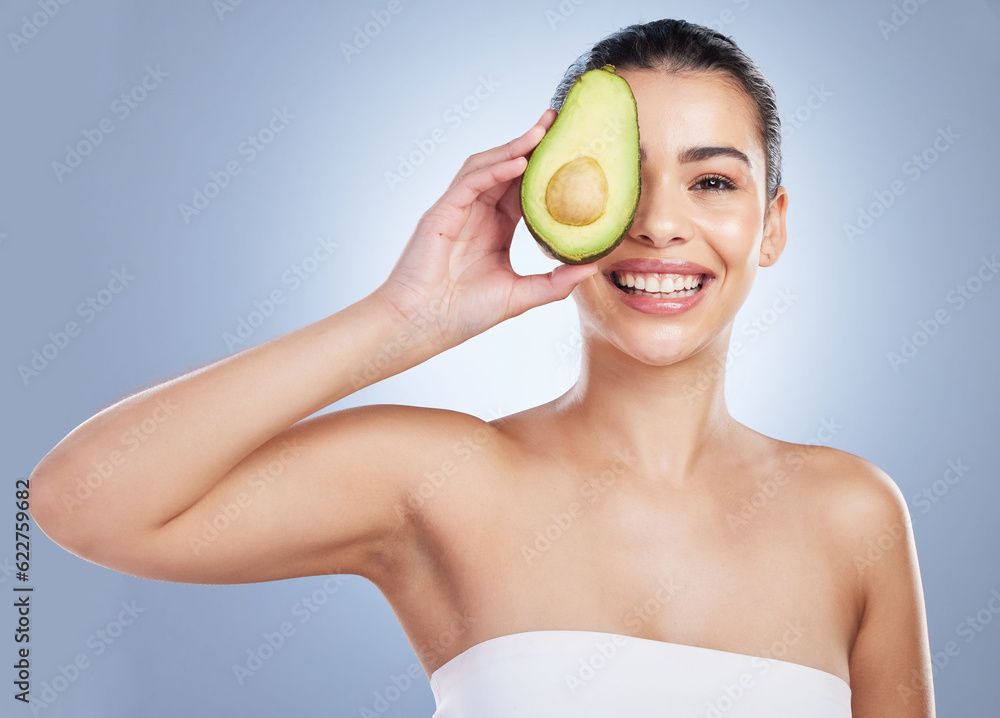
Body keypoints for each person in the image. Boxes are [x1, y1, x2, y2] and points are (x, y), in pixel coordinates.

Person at [29, 18, 934, 718]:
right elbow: (81, 500)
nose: (661, 224)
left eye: (712, 181)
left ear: (771, 225)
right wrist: (403, 321)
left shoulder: (854, 513)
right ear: (545, 200)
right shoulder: (442, 480)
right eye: (625, 178)